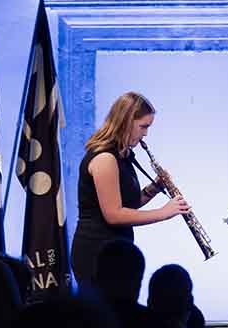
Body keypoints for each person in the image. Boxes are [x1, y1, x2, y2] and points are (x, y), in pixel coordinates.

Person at [70, 92, 189, 288]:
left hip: (116, 250)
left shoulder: (123, 155)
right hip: (96, 252)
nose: (145, 134)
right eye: (143, 126)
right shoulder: (105, 158)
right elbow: (114, 215)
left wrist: (154, 188)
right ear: (125, 121)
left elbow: (128, 204)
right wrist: (163, 213)